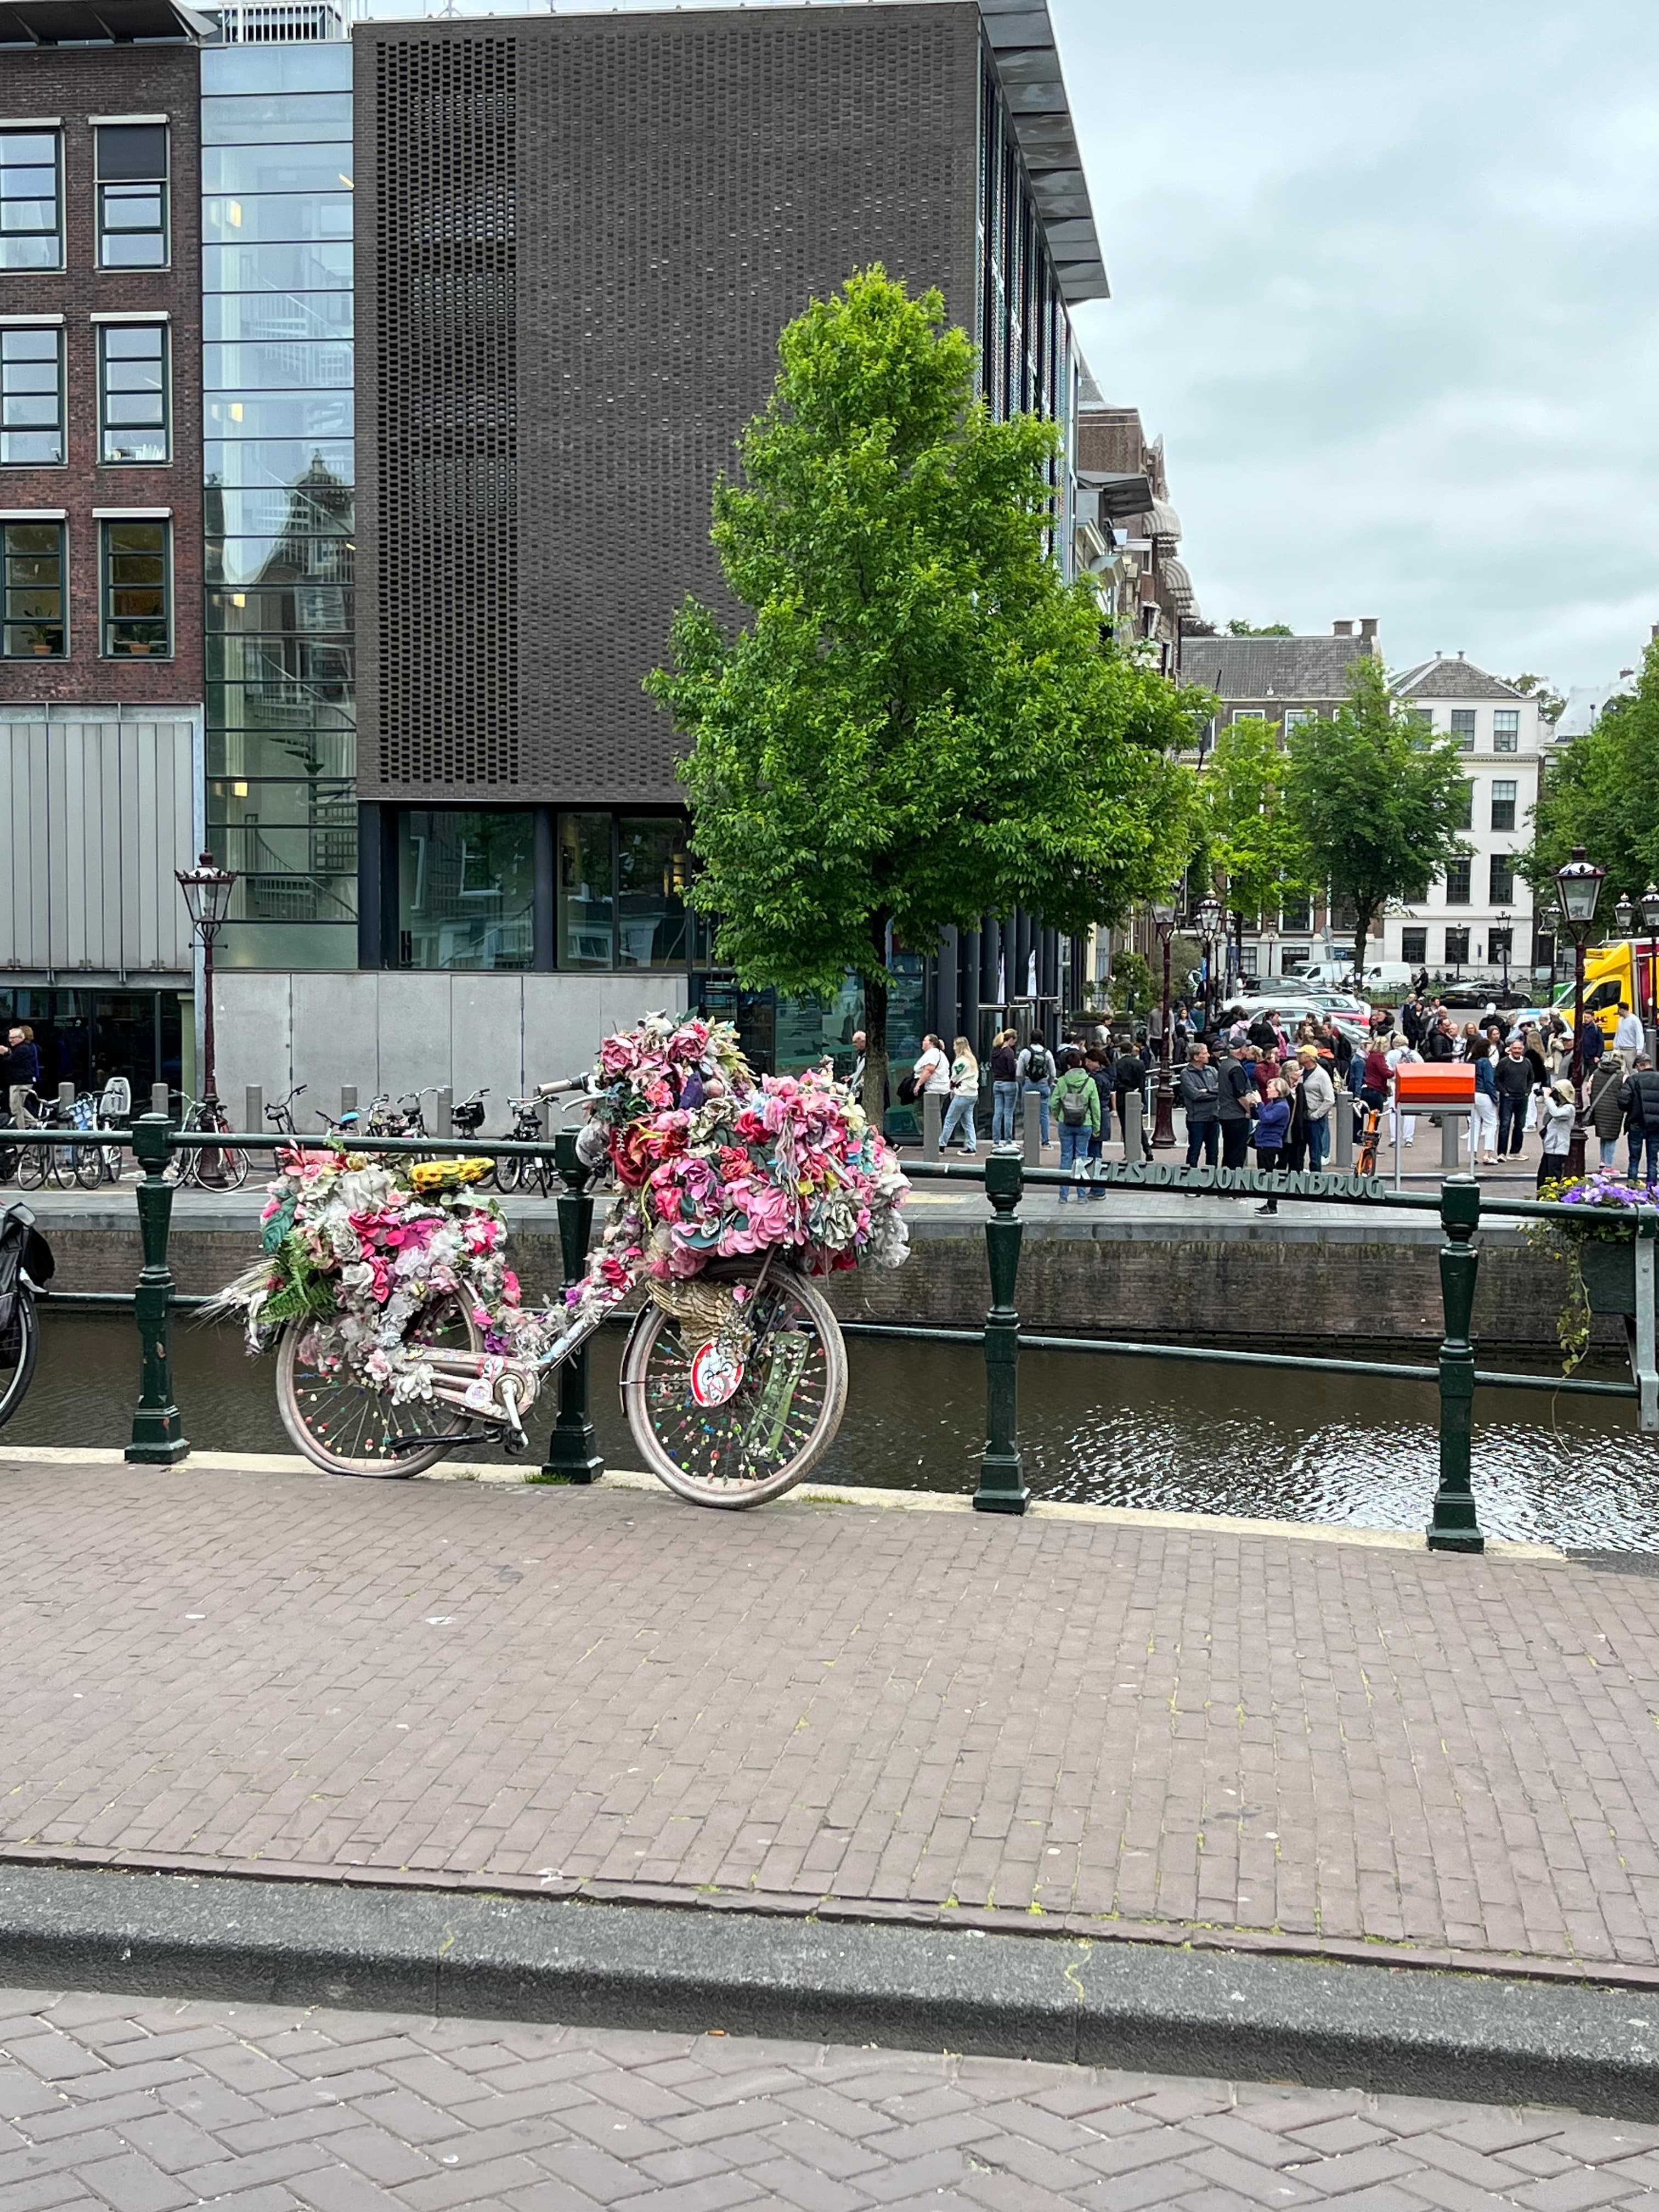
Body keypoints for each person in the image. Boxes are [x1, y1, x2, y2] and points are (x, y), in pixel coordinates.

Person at [1051, 1046, 1099, 1200]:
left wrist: (1058, 1116)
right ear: (1081, 1063)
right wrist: (1096, 1126)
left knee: (1066, 1157)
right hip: (1085, 1123)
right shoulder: (1090, 1082)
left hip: (1066, 1123)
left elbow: (1054, 1102)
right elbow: (1096, 1106)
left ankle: (1063, 1196)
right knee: (1082, 1158)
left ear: (1068, 1066)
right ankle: (1081, 1196)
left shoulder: (1062, 1081)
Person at [1217, 1041, 1259, 1172]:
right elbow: (1240, 1095)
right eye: (1246, 1047)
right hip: (1237, 1115)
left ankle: (1225, 1182)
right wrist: (1250, 1111)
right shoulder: (1236, 1068)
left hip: (1225, 1114)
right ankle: (1233, 1185)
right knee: (1237, 1152)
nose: (1248, 1049)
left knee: (1229, 1151)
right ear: (1241, 1050)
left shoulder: (1225, 1064)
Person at [1251, 1077, 1290, 1215]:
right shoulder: (1274, 1103)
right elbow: (1260, 1115)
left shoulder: (1282, 1107)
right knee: (1265, 1174)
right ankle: (1269, 1203)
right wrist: (1255, 1105)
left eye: (1270, 1087)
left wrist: (1260, 1102)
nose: (1267, 1090)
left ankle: (1272, 1206)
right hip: (1263, 1143)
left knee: (1270, 1175)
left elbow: (1267, 1119)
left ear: (1278, 1091)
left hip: (1270, 1144)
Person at [1179, 1042, 1220, 1170]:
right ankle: (1190, 1177)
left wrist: (1206, 1091)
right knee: (1194, 1150)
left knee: (1213, 1152)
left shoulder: (1212, 1071)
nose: (1209, 1055)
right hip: (1197, 1119)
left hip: (1213, 1117)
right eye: (1205, 1053)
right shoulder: (1186, 1074)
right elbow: (1195, 1095)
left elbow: (1220, 1089)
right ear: (1196, 1057)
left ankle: (1211, 1178)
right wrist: (1212, 1093)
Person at [1621, 1056, 1659, 1188]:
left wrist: (1631, 1109)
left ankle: (1632, 1188)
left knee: (1634, 1159)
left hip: (1636, 1123)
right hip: (1656, 1125)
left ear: (1639, 1066)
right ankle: (1652, 1190)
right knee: (1653, 1160)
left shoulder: (1633, 1080)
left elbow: (1623, 1101)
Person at [1297, 1045, 1335, 1172]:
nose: (1298, 1056)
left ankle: (1316, 1178)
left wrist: (1316, 1115)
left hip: (1314, 1119)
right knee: (1298, 1151)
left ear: (1309, 1057)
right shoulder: (1301, 1072)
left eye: (1301, 1054)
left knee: (1315, 1152)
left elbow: (1329, 1099)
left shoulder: (1321, 1075)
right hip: (1301, 1117)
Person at [940, 1035, 979, 1155]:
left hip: (962, 1093)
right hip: (973, 1094)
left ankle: (941, 1145)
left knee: (950, 1120)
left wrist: (951, 1086)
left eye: (954, 1045)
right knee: (968, 1122)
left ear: (958, 1046)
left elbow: (955, 1077)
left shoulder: (961, 1061)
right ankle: (972, 1147)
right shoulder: (972, 1060)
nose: (953, 1048)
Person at [1588, 1053, 1626, 1171]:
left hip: (1599, 1109)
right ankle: (1608, 1166)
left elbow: (1589, 1089)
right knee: (1611, 1138)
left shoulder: (1596, 1073)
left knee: (1604, 1136)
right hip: (1615, 1111)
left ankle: (1603, 1161)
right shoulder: (1623, 1076)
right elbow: (1626, 1094)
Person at [1536, 1079, 1576, 1193]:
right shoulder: (1558, 1106)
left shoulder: (1569, 1109)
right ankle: (1541, 1199)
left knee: (1553, 1178)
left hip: (1558, 1149)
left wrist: (1548, 1099)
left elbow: (1557, 1114)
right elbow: (1545, 1120)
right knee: (1542, 1178)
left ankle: (1553, 1201)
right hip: (1549, 1148)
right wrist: (1549, 1101)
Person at [1017, 1034, 1056, 1149]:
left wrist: (1023, 1083)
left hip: (1029, 1084)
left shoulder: (1025, 1052)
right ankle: (1045, 1142)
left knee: (1027, 1114)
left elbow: (1019, 1073)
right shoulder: (1047, 1053)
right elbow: (1053, 1073)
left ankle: (1027, 1141)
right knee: (1044, 1115)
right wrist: (1048, 1083)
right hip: (1043, 1084)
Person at [1496, 1039, 1532, 1158]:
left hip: (1522, 1097)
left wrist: (1527, 1091)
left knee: (1520, 1125)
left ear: (1523, 1049)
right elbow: (1497, 1079)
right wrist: (1504, 1093)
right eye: (1515, 1048)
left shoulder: (1527, 1062)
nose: (1517, 1051)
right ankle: (1501, 1153)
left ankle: (1515, 1151)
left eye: (1519, 1049)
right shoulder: (1504, 1062)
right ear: (1510, 1049)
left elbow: (1531, 1078)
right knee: (1504, 1125)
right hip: (1508, 1098)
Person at [988, 1030, 1020, 1149]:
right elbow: (1011, 1070)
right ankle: (1008, 1140)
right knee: (1008, 1113)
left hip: (997, 1083)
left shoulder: (995, 1051)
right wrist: (1016, 1065)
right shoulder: (1009, 1052)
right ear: (1011, 1039)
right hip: (1009, 1083)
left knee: (998, 1113)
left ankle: (996, 1141)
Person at [3, 1024, 40, 1127]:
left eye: (13, 1038)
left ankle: (21, 1135)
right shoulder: (22, 1048)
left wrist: (5, 1053)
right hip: (20, 1082)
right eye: (9, 1038)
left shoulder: (22, 1049)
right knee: (19, 1107)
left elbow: (11, 1062)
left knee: (16, 1109)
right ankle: (35, 1124)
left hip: (20, 1083)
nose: (11, 1041)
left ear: (21, 1038)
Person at [1470, 1042, 1499, 1166]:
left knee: (1475, 1124)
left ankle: (1473, 1155)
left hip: (1473, 1094)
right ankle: (1487, 1154)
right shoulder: (1485, 1062)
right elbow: (1489, 1081)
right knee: (1491, 1123)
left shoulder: (1471, 1061)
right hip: (1484, 1094)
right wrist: (1495, 1098)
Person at [1615, 1000, 1645, 1074]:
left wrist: (1639, 1050)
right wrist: (1615, 1046)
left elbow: (1639, 1035)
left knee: (1631, 1070)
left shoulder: (1634, 1020)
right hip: (1620, 1049)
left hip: (1630, 1050)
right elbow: (1618, 1033)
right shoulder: (1620, 1020)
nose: (1617, 1012)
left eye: (1618, 1010)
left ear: (1622, 1010)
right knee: (1621, 1071)